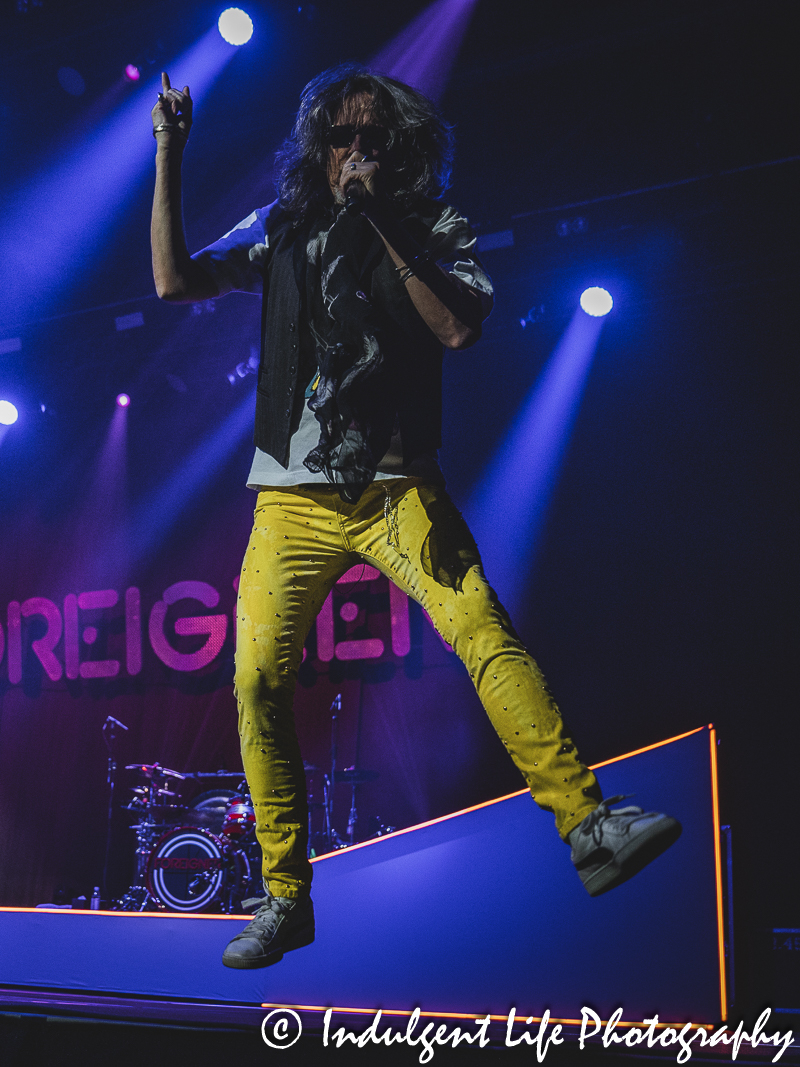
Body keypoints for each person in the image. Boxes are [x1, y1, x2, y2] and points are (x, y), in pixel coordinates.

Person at [148, 64, 680, 969]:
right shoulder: (278, 226)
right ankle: (285, 895)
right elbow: (172, 281)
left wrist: (382, 219)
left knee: (482, 630)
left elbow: (460, 328)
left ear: (397, 150)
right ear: (316, 145)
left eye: (374, 139)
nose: (356, 151)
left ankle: (589, 825)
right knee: (255, 681)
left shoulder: (429, 225)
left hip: (396, 489)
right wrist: (170, 151)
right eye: (341, 136)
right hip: (289, 499)